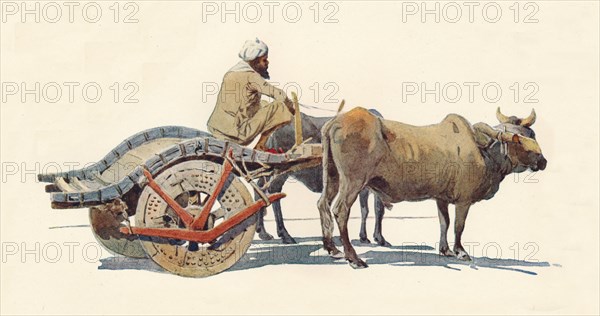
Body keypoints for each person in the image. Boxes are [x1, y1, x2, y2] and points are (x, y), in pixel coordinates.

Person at [207, 38, 295, 151]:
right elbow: (278, 94)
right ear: (255, 61)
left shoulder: (231, 73)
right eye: (264, 60)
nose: (267, 63)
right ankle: (261, 144)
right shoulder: (251, 76)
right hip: (236, 133)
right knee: (279, 107)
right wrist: (291, 107)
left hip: (217, 129)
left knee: (263, 103)